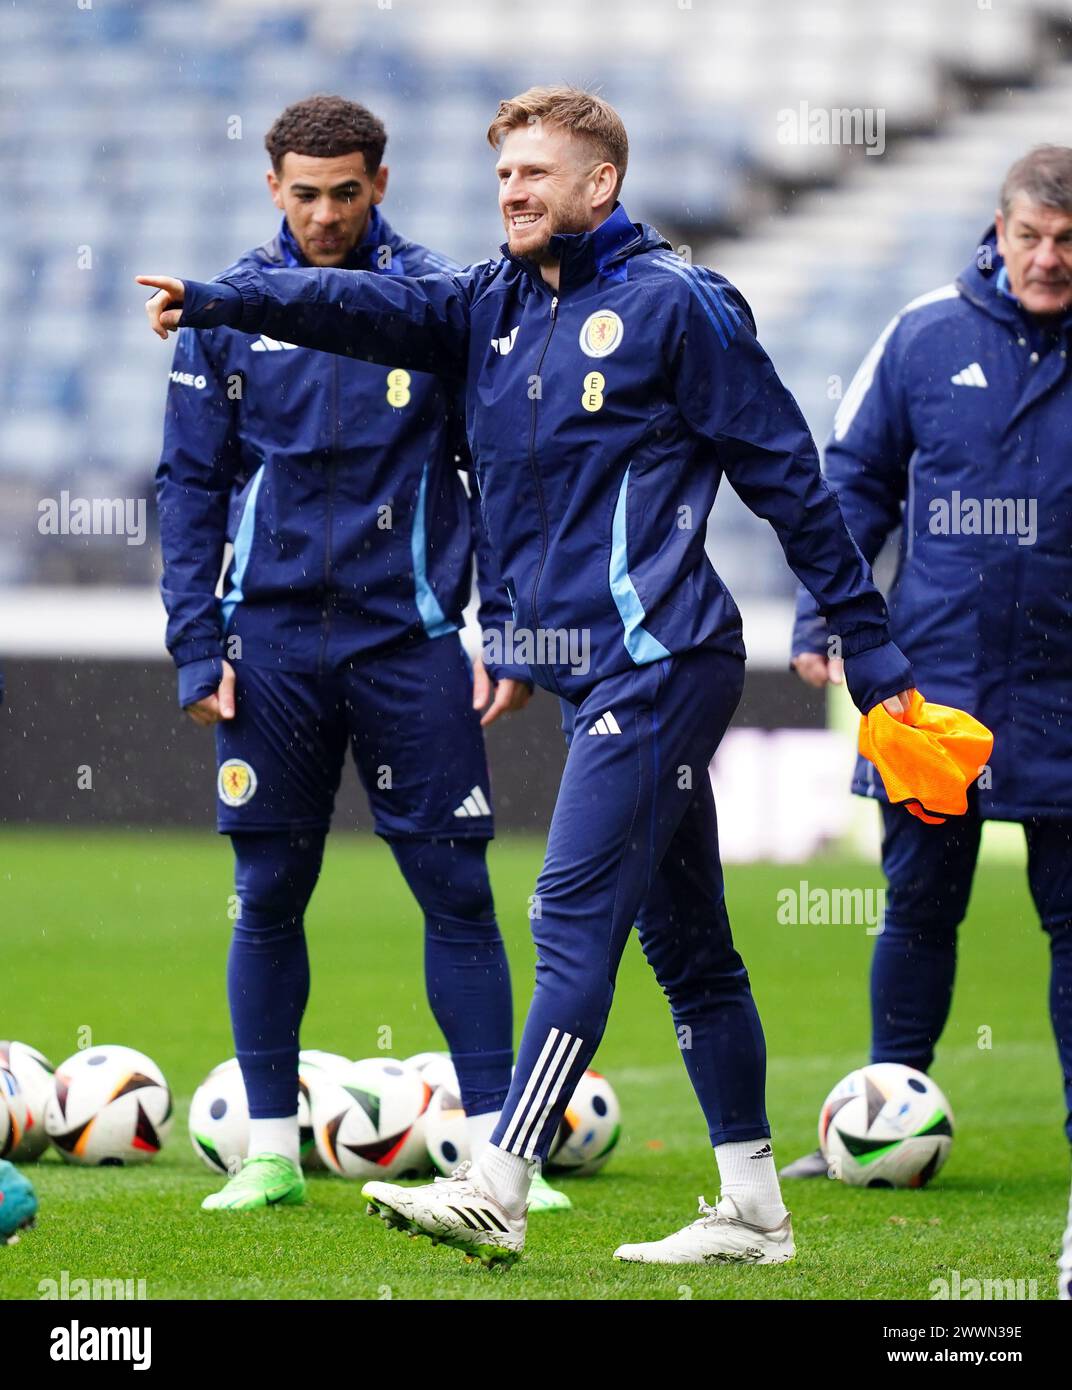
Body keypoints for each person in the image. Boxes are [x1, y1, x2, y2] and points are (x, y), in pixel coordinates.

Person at [139, 85, 913, 1264]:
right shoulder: (488, 304)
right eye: (502, 176)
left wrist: (872, 641)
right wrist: (215, 298)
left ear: (599, 185)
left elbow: (790, 481)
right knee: (689, 945)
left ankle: (498, 1175)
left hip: (662, 660)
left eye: (534, 176)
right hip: (581, 672)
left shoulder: (678, 308)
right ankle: (754, 1207)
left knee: (567, 912)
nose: (511, 194)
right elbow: (348, 307)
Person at [154, 94, 569, 1214]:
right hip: (272, 643)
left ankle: (496, 1155)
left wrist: (508, 625)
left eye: (346, 192)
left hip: (411, 638)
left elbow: (503, 474)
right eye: (305, 194)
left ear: (380, 183)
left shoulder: (439, 305)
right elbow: (190, 486)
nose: (325, 214)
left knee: (455, 888)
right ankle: (273, 1154)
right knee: (269, 886)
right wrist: (197, 642)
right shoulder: (223, 314)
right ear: (272, 188)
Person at [781, 145, 1072, 1180]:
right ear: (997, 231)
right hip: (935, 676)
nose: (1046, 258)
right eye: (1029, 236)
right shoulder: (922, 331)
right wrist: (826, 614)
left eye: (1066, 242)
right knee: (918, 904)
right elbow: (852, 481)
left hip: (1065, 687)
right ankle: (881, 1113)